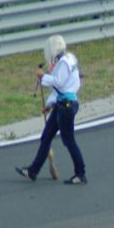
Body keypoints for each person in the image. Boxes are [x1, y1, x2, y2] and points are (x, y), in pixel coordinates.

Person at [16, 35, 87, 185]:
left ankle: (80, 173)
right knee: (46, 136)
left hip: (66, 106)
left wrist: (43, 77)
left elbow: (59, 83)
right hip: (62, 103)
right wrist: (50, 104)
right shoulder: (69, 58)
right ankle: (33, 171)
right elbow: (63, 86)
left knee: (69, 140)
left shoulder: (63, 62)